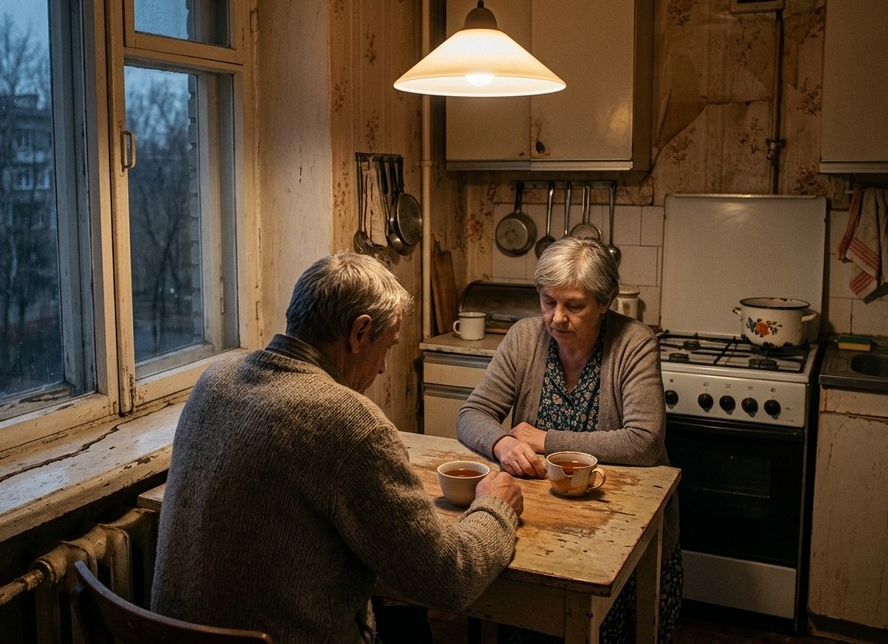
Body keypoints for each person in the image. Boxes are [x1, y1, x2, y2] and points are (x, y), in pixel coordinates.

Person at [150, 252, 524, 644]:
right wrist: (495, 506)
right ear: (359, 333)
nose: (382, 368)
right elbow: (451, 579)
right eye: (388, 346)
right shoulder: (349, 422)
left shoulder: (215, 379)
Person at [457, 237, 682, 644]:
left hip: (619, 525)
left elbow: (645, 441)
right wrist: (502, 444)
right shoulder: (524, 338)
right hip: (539, 523)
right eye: (548, 302)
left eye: (574, 305)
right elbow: (472, 414)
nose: (557, 318)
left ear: (605, 301)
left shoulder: (635, 343)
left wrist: (545, 439)